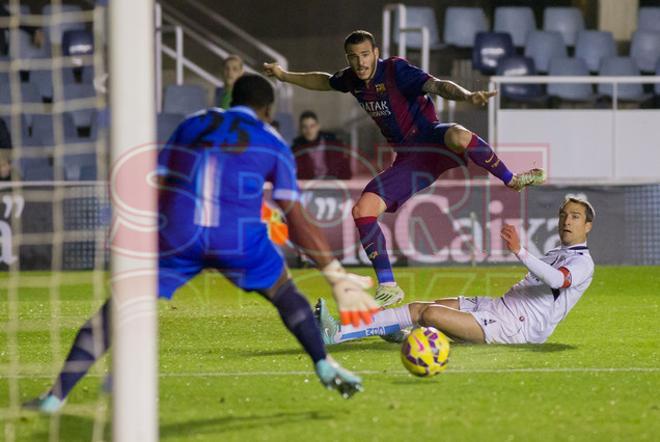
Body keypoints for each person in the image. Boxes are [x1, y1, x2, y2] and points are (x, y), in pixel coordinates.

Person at [24, 74, 379, 414]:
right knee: (284, 292)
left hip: (178, 232)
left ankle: (55, 397)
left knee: (114, 311)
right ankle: (323, 363)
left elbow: (155, 184)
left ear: (229, 100)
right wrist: (334, 273)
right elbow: (295, 217)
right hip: (235, 235)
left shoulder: (192, 123)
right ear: (268, 111)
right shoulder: (271, 140)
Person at [264, 30, 546, 308]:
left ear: (375, 53)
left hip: (433, 138)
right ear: (348, 59)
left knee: (459, 134)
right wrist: (284, 76)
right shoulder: (352, 79)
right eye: (354, 57)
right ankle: (389, 286)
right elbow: (325, 81)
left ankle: (511, 179)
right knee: (362, 211)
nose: (361, 63)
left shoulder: (395, 70)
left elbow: (438, 85)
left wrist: (467, 96)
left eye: (365, 55)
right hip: (411, 160)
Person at [316, 196, 595, 345]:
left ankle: (336, 335)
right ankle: (392, 329)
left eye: (575, 217)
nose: (566, 221)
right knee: (421, 307)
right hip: (497, 307)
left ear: (587, 226)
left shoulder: (582, 262)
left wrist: (520, 251)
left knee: (429, 315)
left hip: (516, 329)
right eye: (563, 215)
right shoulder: (557, 253)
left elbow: (558, 280)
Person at [291, 110, 350, 179]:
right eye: (305, 127)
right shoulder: (297, 150)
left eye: (312, 126)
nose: (309, 130)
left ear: (318, 126)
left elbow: (345, 171)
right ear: (300, 129)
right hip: (308, 187)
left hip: (333, 186)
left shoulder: (333, 146)